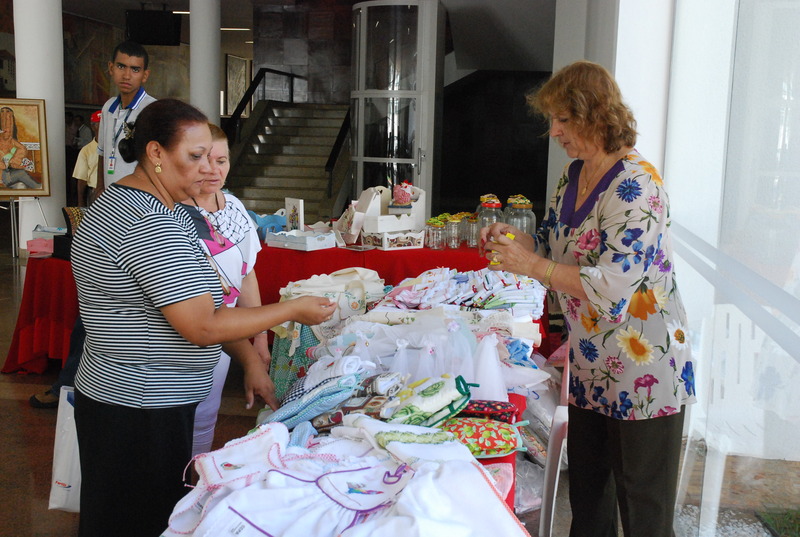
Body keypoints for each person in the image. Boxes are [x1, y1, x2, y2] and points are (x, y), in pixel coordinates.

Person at [70, 99, 336, 537]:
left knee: (115, 510)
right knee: (140, 517)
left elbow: (198, 308)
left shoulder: (122, 202)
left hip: (117, 393)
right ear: (156, 153)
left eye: (213, 157)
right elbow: (202, 325)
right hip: (143, 401)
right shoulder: (150, 222)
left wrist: (249, 359)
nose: (206, 168)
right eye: (194, 156)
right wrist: (292, 308)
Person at [480, 60, 695, 537]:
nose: (553, 131)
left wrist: (531, 266)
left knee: (643, 505)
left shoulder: (637, 185)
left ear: (596, 115)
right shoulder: (572, 175)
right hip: (593, 362)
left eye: (563, 119)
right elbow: (555, 246)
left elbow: (614, 283)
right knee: (589, 496)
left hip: (643, 363)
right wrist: (516, 243)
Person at [180, 123, 272, 456]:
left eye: (221, 161)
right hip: (185, 334)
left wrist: (259, 337)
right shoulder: (174, 212)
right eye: (203, 159)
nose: (213, 170)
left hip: (226, 331)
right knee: (178, 419)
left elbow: (246, 274)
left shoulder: (233, 206)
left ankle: (193, 477)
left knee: (206, 415)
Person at [93, 40, 156, 201]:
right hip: (110, 197)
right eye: (121, 66)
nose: (127, 76)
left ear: (145, 75)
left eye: (135, 69)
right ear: (111, 68)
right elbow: (102, 152)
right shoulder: (108, 107)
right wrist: (99, 187)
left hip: (140, 199)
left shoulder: (152, 110)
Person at [0, 106, 40, 189]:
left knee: (21, 185)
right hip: (3, 177)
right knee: (21, 174)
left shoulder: (17, 146)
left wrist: (23, 165)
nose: (6, 124)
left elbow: (15, 163)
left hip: (7, 176)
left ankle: (37, 188)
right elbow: (4, 166)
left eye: (9, 118)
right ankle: (38, 187)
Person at [74, 110, 101, 206]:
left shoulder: (115, 147)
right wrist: (80, 202)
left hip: (114, 193)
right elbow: (82, 179)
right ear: (93, 127)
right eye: (101, 124)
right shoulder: (86, 150)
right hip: (95, 192)